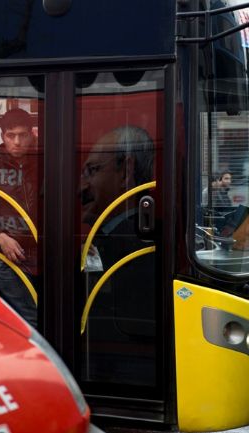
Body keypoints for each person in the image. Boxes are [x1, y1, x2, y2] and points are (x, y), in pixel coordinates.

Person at [79, 125, 156, 386]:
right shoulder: (109, 235)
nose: (83, 185)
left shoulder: (132, 240)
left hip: (121, 366)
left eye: (93, 171)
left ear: (127, 171)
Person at [0, 108, 39, 327]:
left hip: (41, 253)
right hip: (6, 257)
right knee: (30, 320)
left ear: (32, 134)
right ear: (2, 136)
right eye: (11, 136)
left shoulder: (43, 165)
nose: (18, 142)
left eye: (23, 135)